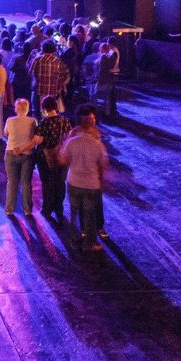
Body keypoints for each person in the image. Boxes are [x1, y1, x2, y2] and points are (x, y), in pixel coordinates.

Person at [59, 105, 109, 251]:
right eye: (89, 118)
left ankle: (94, 230)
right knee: (86, 209)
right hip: (87, 180)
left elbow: (63, 158)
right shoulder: (74, 134)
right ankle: (86, 235)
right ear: (82, 120)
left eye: (93, 118)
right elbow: (102, 159)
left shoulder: (96, 132)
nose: (92, 121)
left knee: (90, 208)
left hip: (79, 179)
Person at [36, 95, 73, 220]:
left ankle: (47, 209)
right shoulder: (65, 121)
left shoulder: (43, 123)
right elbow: (69, 138)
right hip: (62, 157)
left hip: (45, 159)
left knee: (47, 184)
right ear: (56, 107)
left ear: (44, 108)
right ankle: (59, 209)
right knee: (60, 183)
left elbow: (38, 140)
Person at [3, 98, 41, 216]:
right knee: (26, 182)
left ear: (16, 108)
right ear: (27, 109)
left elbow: (6, 133)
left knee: (12, 182)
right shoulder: (33, 121)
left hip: (11, 153)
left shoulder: (10, 120)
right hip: (27, 155)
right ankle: (27, 209)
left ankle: (9, 209)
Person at [30, 41, 69, 115]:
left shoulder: (37, 60)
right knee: (51, 111)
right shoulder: (58, 61)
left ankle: (41, 124)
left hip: (39, 90)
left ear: (42, 49)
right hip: (53, 91)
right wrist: (60, 85)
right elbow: (65, 75)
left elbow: (30, 72)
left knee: (40, 112)